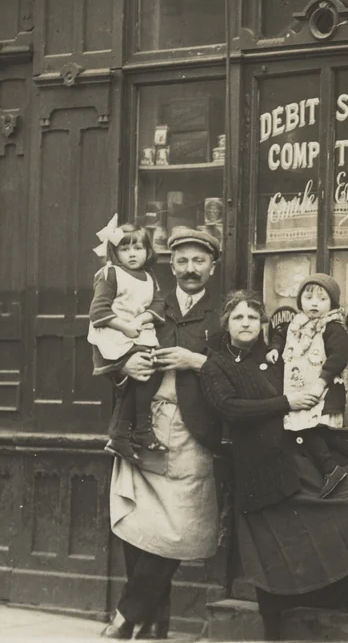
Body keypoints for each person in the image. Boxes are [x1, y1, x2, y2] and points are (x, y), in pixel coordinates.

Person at [200, 290, 348, 642]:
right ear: (226, 324)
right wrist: (285, 402)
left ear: (263, 324)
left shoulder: (278, 356)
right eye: (237, 318)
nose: (245, 324)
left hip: (297, 456)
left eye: (252, 318)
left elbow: (316, 371)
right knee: (272, 551)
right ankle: (274, 628)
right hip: (258, 468)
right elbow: (230, 409)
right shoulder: (216, 365)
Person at [101, 227, 225, 640]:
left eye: (199, 261)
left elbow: (243, 371)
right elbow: (106, 344)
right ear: (171, 265)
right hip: (143, 424)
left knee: (173, 526)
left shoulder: (226, 312)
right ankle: (155, 622)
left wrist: (198, 361)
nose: (191, 269)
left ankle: (126, 616)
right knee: (140, 523)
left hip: (193, 430)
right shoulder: (150, 303)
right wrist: (125, 369)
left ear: (213, 266)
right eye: (183, 261)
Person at [89, 220, 168, 462]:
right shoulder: (110, 274)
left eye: (138, 248)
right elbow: (98, 311)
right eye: (125, 249)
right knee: (141, 372)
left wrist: (143, 319)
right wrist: (126, 326)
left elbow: (157, 303)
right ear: (115, 252)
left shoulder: (148, 276)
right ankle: (135, 431)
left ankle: (123, 434)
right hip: (114, 334)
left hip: (138, 331)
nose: (132, 254)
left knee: (145, 375)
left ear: (148, 251)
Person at [268, 273, 348, 429]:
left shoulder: (334, 327)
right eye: (308, 298)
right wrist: (275, 349)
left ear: (332, 303)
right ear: (300, 301)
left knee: (319, 435)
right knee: (296, 435)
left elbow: (338, 358)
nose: (314, 304)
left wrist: (321, 382)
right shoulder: (296, 325)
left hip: (324, 393)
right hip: (296, 390)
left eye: (322, 299)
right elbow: (280, 335)